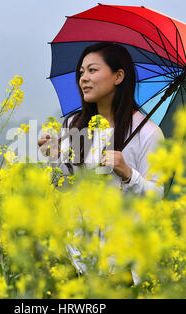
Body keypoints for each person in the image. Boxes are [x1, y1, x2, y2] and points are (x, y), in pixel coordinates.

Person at [38, 42, 165, 198]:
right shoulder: (74, 124)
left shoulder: (147, 133)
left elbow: (156, 197)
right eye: (81, 72)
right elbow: (63, 187)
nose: (83, 78)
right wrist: (55, 156)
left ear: (118, 76)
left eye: (92, 70)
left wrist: (128, 174)